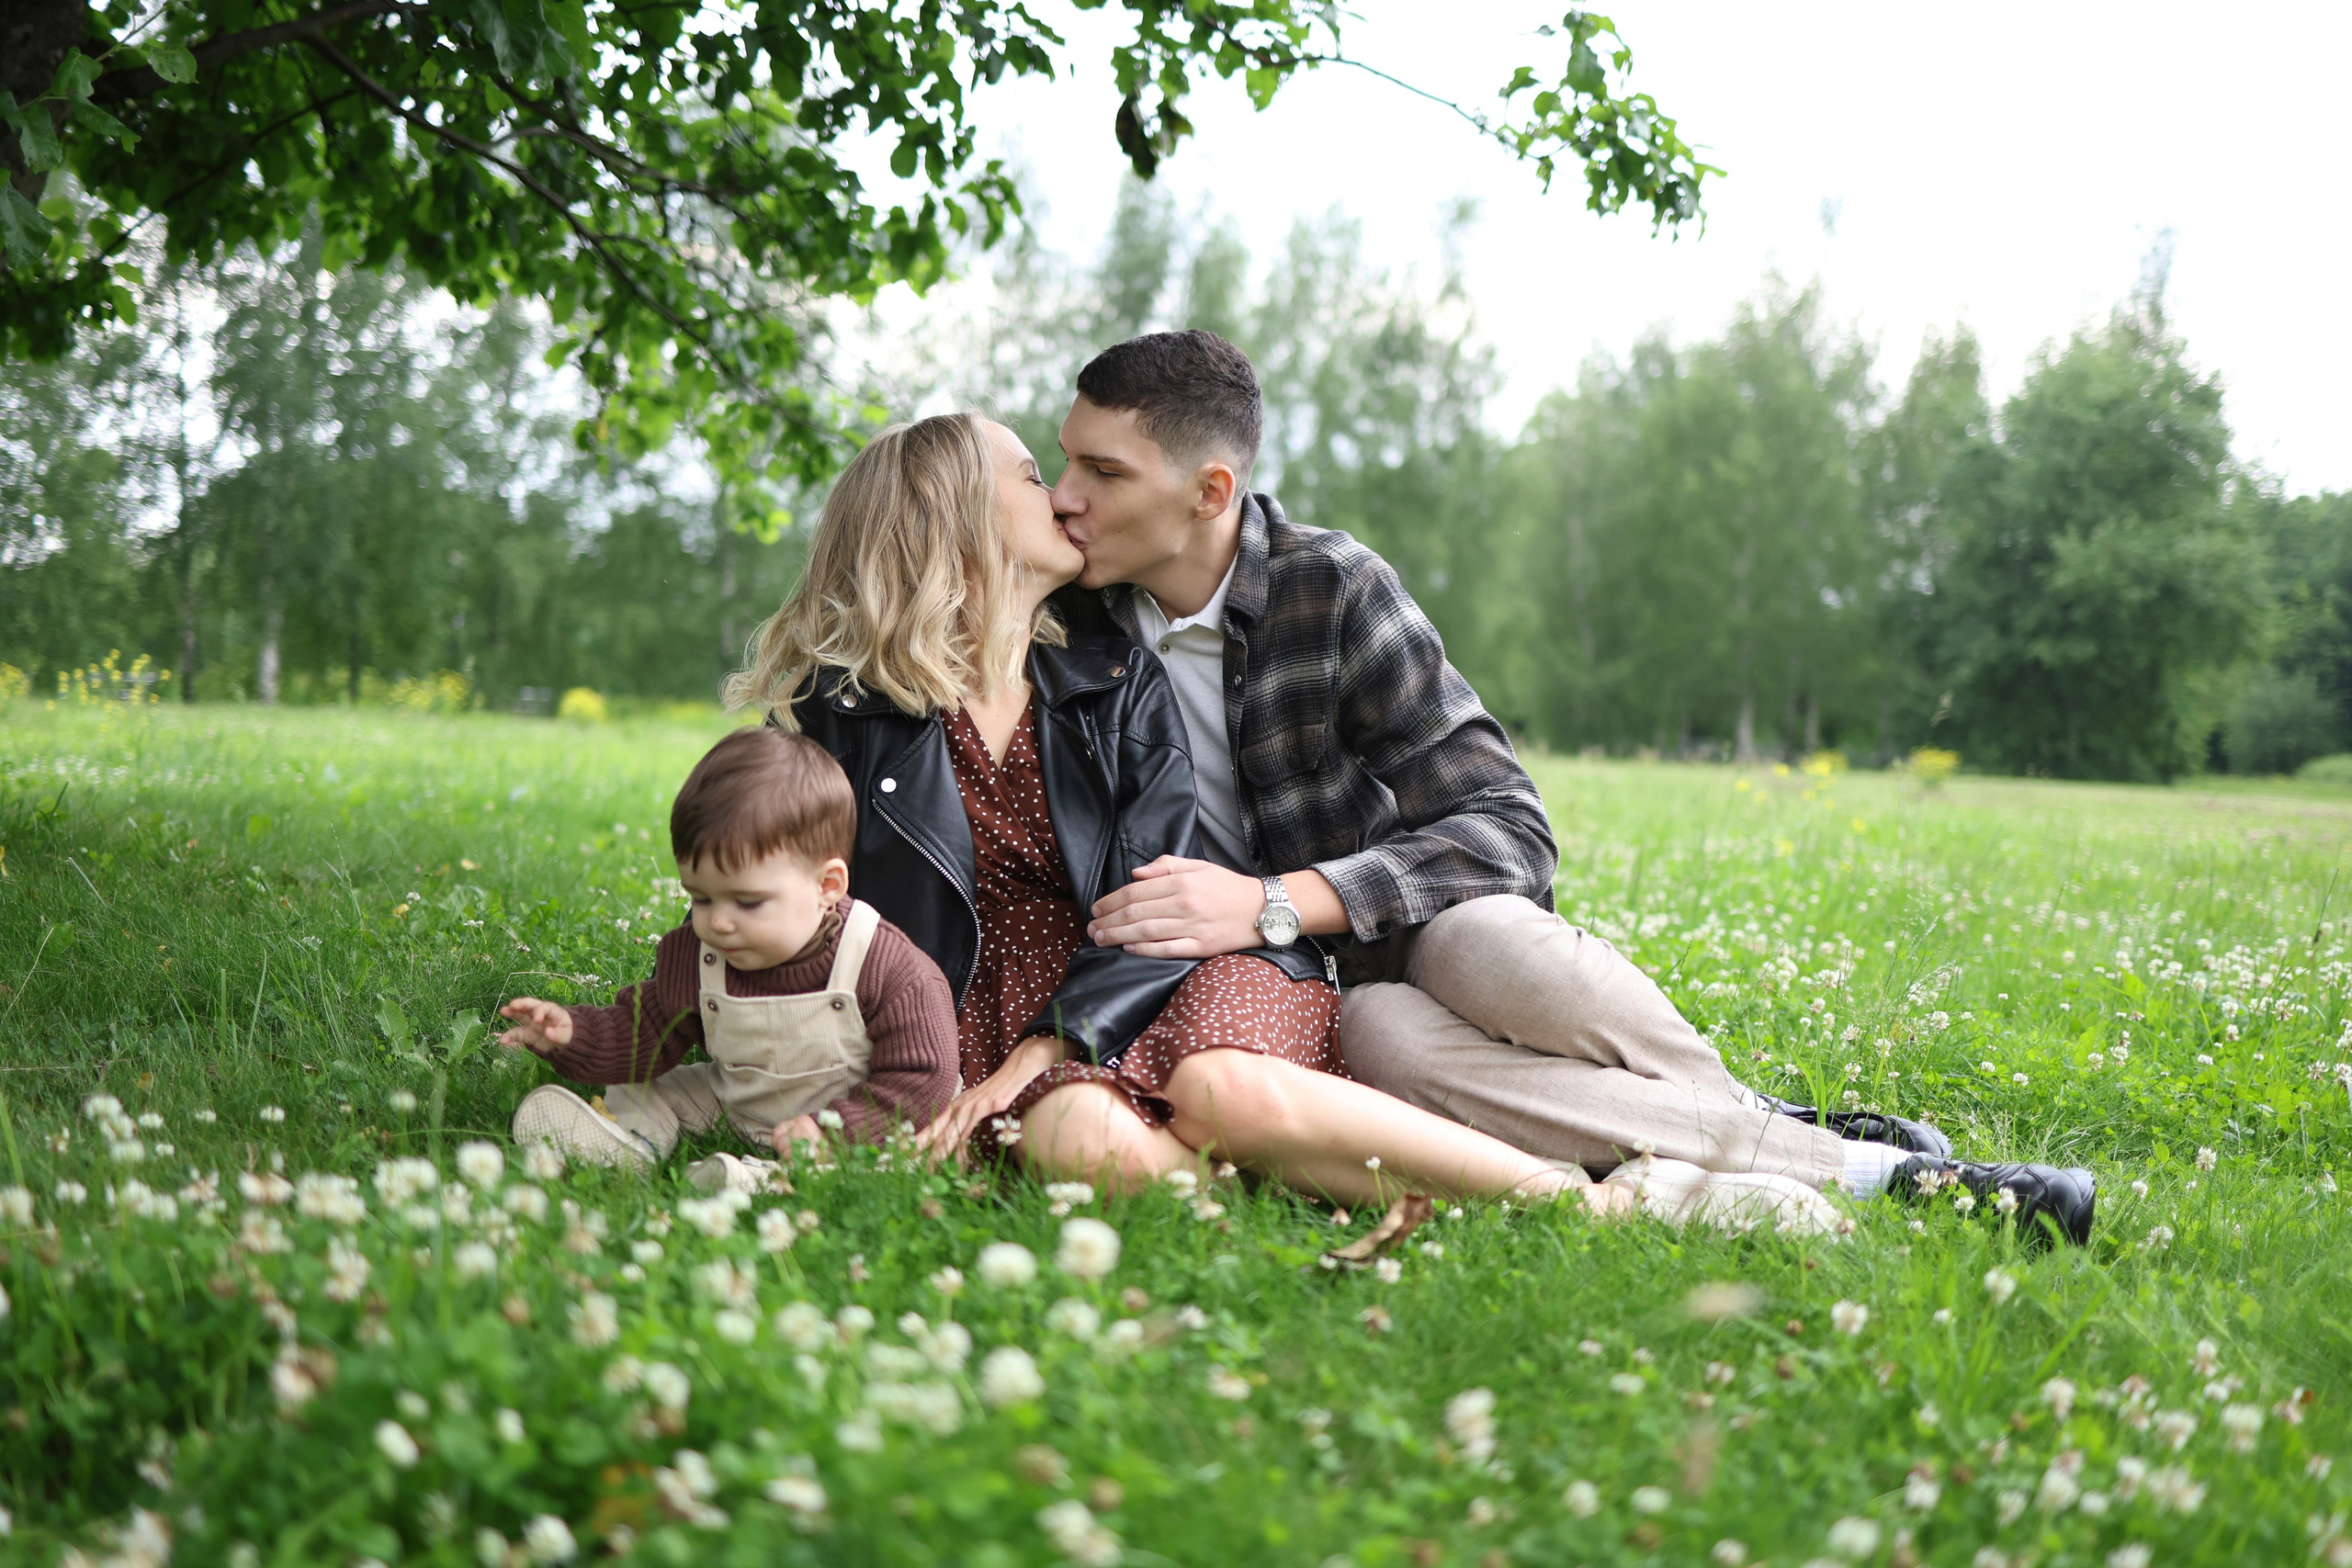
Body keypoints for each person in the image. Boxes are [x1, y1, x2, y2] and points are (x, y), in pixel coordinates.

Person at [1046, 329, 2095, 1245]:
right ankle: (1883, 1173)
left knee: (1488, 938)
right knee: (1382, 1038)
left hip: (1408, 930)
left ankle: (1756, 1127)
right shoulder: (1064, 631)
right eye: (1063, 465)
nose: (1067, 498)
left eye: (1104, 472)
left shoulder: (1327, 588)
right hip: (1306, 1000)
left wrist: (1276, 900)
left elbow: (1508, 827)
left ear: (1209, 491)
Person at [727, 409, 1839, 1233]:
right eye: (1035, 474)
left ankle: (1602, 1207)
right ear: (953, 519)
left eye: (1074, 471)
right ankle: (1314, 1177)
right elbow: (779, 902)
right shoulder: (844, 719)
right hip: (986, 1007)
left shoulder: (1111, 677)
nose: (1064, 495)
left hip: (1166, 968)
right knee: (1079, 1143)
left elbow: (1161, 892)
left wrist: (1039, 1054)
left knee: (1217, 1087)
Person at [496, 727, 960, 1182]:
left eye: (747, 902)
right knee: (649, 1087)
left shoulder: (886, 966)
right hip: (735, 1102)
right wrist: (573, 1034)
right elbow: (647, 1032)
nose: (718, 922)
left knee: (902, 1152)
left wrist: (838, 1129)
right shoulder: (698, 955)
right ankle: (628, 1142)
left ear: (826, 886)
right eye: (701, 898)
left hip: (842, 1120)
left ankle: (762, 1180)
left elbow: (922, 1077)